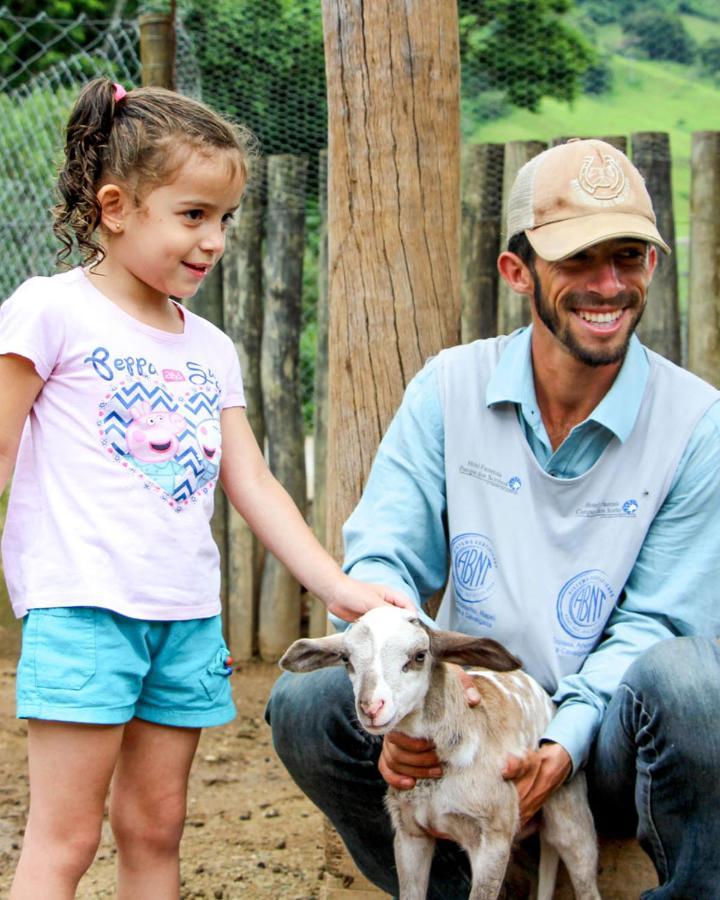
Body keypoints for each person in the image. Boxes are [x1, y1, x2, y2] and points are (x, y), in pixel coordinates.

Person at [266, 138, 720, 898]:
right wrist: (406, 683)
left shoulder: (698, 422)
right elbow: (384, 558)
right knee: (308, 700)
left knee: (697, 682)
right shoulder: (449, 387)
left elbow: (658, 622)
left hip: (602, 738)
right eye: (579, 259)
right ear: (517, 272)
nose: (609, 285)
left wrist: (559, 741)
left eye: (630, 257)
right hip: (460, 711)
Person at [0, 78, 413, 899]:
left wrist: (334, 584)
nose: (215, 239)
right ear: (116, 208)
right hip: (84, 609)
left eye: (225, 219)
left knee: (156, 828)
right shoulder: (49, 311)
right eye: (193, 215)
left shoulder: (211, 348)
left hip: (186, 619)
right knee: (67, 836)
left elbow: (250, 477)